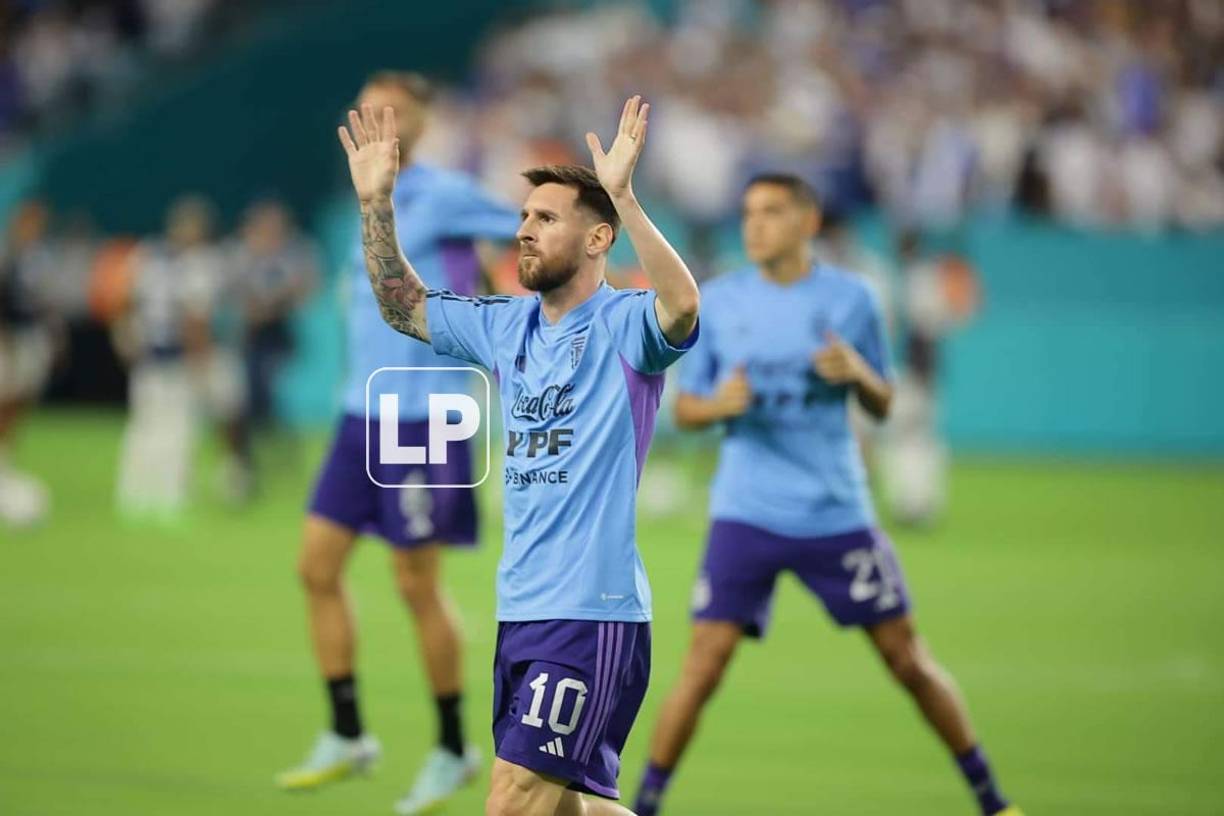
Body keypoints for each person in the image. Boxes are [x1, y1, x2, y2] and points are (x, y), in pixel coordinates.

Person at [336, 95, 698, 815]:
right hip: (523, 609)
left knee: (511, 799)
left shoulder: (625, 324)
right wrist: (378, 203)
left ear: (599, 240)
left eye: (545, 219)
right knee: (571, 807)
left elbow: (682, 306)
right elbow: (401, 303)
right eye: (524, 216)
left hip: (591, 612)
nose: (523, 230)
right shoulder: (505, 327)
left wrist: (623, 196)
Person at [631, 175, 1020, 816]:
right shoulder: (719, 300)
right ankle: (646, 804)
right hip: (746, 510)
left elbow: (886, 399)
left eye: (772, 212)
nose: (754, 225)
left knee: (906, 658)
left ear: (807, 223)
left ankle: (992, 798)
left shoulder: (853, 299)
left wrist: (860, 373)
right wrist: (719, 405)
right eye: (749, 212)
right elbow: (690, 407)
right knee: (705, 664)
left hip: (833, 510)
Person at [277, 72, 521, 815]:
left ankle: (451, 749)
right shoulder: (363, 190)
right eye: (370, 101)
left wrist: (492, 298)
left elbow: (532, 229)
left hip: (427, 417)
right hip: (361, 414)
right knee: (316, 568)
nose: (382, 115)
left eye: (399, 106)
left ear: (424, 118)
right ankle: (348, 731)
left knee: (416, 584)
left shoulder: (446, 194)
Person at [114, 195, 225, 521]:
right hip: (174, 356)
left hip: (149, 354)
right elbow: (195, 319)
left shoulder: (148, 254)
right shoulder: (198, 263)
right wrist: (201, 360)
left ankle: (135, 496)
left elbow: (124, 300)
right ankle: (167, 497)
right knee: (176, 428)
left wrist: (126, 338)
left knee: (145, 424)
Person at [0, 200, 55, 527]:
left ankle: (6, 457)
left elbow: (41, 301)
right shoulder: (8, 255)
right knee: (6, 399)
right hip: (10, 338)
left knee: (20, 400)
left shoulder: (38, 258)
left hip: (31, 336)